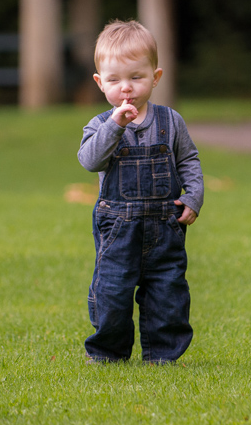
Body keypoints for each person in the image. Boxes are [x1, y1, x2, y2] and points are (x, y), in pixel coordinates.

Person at [78, 20, 204, 361]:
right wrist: (115, 126)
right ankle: (108, 352)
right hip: (118, 228)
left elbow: (189, 160)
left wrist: (193, 197)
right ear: (99, 82)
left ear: (156, 77)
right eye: (115, 80)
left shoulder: (170, 121)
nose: (126, 88)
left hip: (165, 225)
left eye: (136, 77)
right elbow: (90, 161)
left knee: (167, 290)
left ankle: (163, 353)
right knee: (112, 289)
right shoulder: (99, 125)